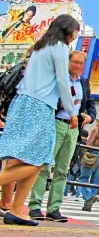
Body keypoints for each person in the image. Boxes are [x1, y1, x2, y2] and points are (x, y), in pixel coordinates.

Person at [0, 14, 80, 226]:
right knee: (41, 160)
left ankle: (16, 210)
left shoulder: (40, 46)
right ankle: (14, 207)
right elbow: (63, 82)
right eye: (75, 32)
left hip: (21, 103)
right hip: (40, 106)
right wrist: (73, 112)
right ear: (69, 31)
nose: (75, 36)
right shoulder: (61, 49)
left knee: (22, 158)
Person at [28, 50, 95, 222]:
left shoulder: (84, 83)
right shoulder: (58, 78)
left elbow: (90, 103)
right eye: (75, 62)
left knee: (62, 170)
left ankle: (54, 208)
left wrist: (90, 116)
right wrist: (66, 103)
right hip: (56, 122)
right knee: (43, 166)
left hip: (73, 128)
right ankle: (35, 205)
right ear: (68, 61)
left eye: (81, 63)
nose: (78, 66)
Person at [0, 45, 34, 217]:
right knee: (24, 163)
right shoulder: (32, 69)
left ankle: (6, 204)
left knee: (11, 160)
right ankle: (8, 205)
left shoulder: (21, 66)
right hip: (22, 116)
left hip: (12, 114)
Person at [64, 129, 89, 199]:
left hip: (76, 162)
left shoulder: (79, 142)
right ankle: (77, 195)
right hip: (85, 163)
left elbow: (76, 153)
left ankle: (65, 193)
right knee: (80, 180)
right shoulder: (88, 143)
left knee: (70, 177)